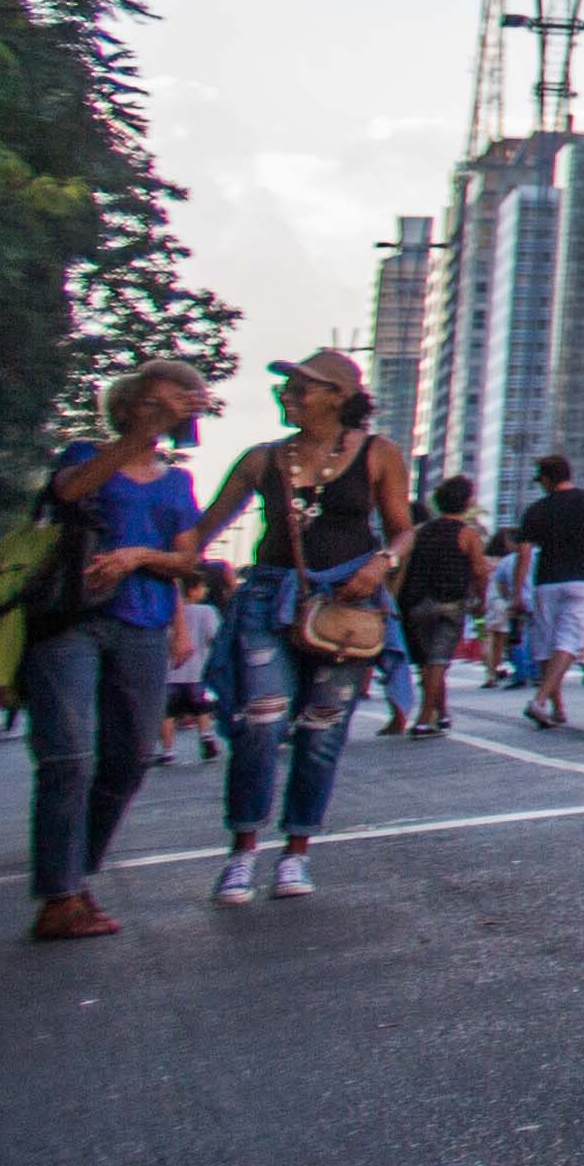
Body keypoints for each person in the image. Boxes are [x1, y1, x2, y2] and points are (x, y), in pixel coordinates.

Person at [181, 350, 409, 903]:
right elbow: (203, 529)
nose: (288, 397)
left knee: (322, 729)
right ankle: (242, 852)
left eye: (302, 389)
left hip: (346, 611)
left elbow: (403, 531)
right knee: (260, 721)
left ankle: (297, 851)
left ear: (338, 396)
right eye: (287, 389)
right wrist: (155, 558)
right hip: (268, 598)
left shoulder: (379, 454)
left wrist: (381, 563)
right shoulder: (262, 460)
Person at [18, 367, 215, 937]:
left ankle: (76, 876)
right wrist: (135, 437)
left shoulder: (175, 483)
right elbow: (68, 492)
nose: (165, 414)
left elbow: (188, 559)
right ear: (128, 405)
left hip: (145, 623)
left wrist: (134, 558)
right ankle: (59, 897)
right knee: (69, 757)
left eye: (175, 405)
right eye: (155, 402)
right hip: (70, 618)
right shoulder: (84, 454)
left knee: (130, 757)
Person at [505, 456, 584, 730]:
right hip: (582, 580)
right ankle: (543, 702)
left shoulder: (535, 510)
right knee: (569, 643)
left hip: (547, 582)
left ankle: (554, 705)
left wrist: (518, 593)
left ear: (546, 478)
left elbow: (524, 553)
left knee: (546, 646)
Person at [383, 474, 484, 737]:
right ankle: (425, 718)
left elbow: (403, 568)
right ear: (466, 503)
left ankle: (442, 713)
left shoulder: (419, 532)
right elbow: (479, 571)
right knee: (437, 663)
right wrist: (481, 602)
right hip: (449, 603)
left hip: (416, 604)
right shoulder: (467, 534)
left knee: (429, 663)